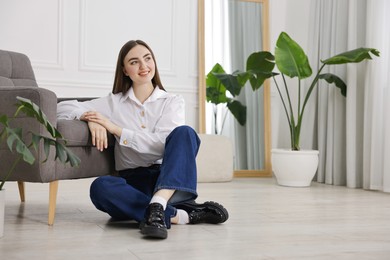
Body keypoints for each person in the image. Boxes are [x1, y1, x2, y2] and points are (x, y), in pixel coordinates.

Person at [57, 40, 228, 239]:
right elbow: (62, 107)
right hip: (132, 184)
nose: (144, 66)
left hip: (167, 181)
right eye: (134, 62)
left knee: (185, 133)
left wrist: (115, 129)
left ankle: (158, 204)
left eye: (147, 59)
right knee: (100, 187)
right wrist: (90, 117)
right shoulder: (114, 103)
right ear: (125, 70)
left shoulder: (172, 101)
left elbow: (162, 145)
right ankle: (179, 215)